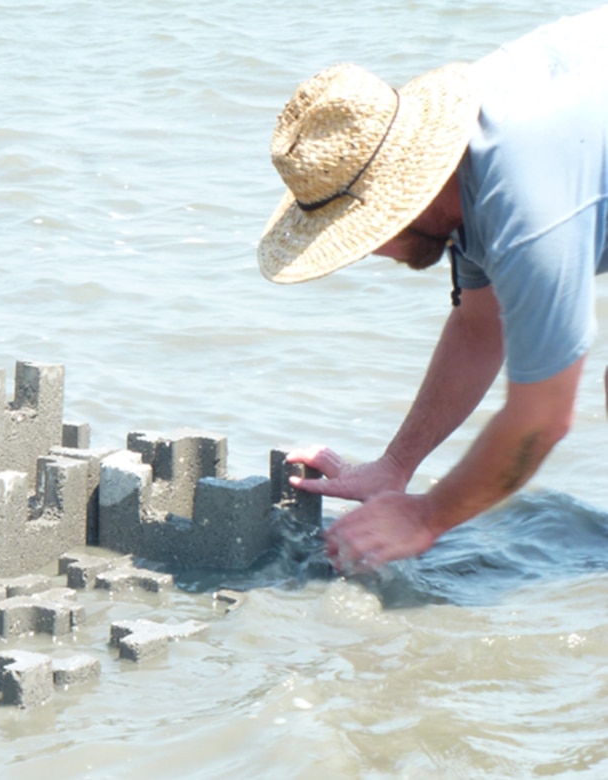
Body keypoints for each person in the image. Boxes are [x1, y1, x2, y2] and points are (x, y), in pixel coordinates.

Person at [257, 6, 608, 571]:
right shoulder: (463, 174)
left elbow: (543, 418)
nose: (370, 252)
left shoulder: (524, 207)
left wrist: (426, 517)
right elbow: (479, 325)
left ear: (409, 197)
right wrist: (396, 466)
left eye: (364, 234)